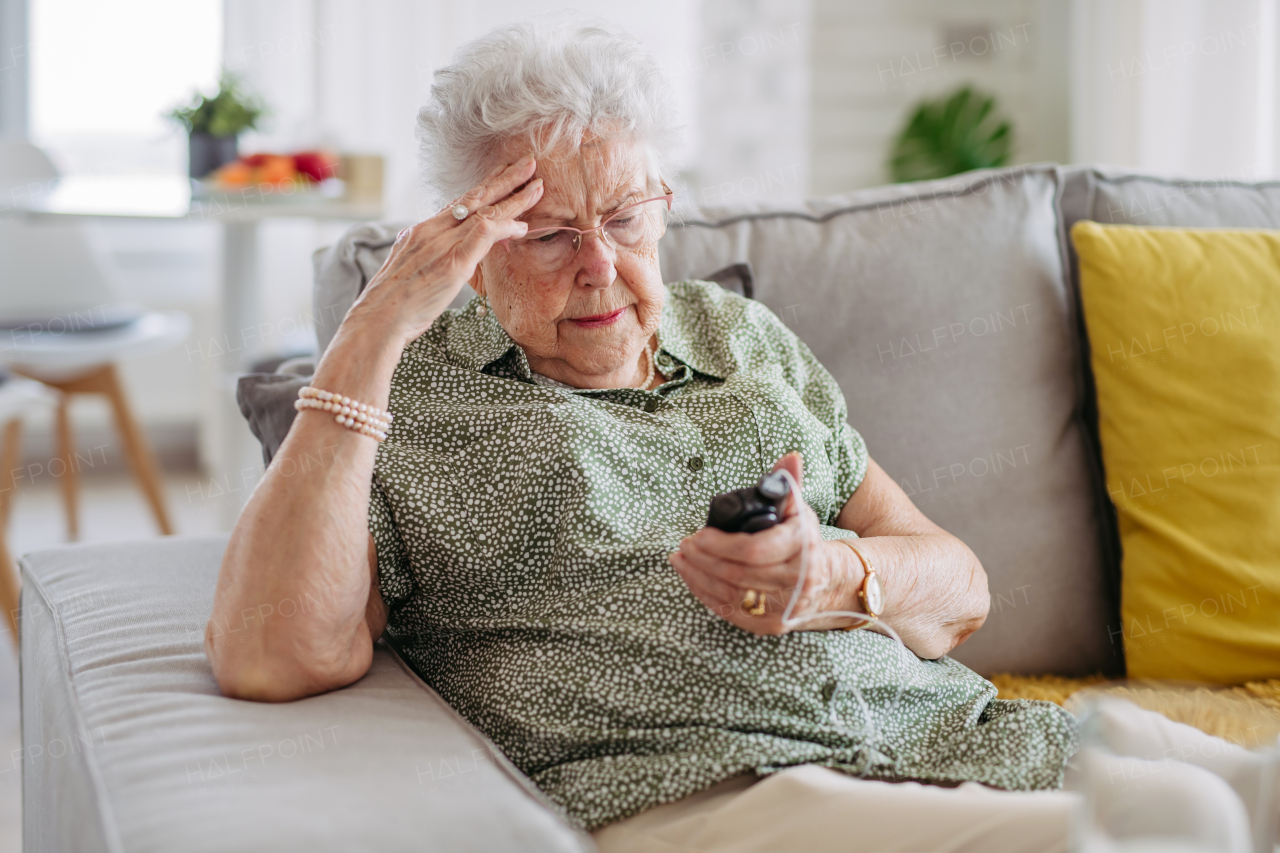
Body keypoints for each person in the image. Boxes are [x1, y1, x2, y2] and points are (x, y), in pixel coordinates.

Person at [206, 16, 1271, 853]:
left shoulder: (741, 340)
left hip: (960, 736)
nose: (598, 266)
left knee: (1252, 796)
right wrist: (371, 328)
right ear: (466, 247)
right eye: (544, 235)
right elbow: (270, 653)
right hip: (708, 787)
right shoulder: (410, 393)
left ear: (664, 207)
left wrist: (834, 575)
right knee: (1174, 836)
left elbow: (958, 592)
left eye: (624, 220)